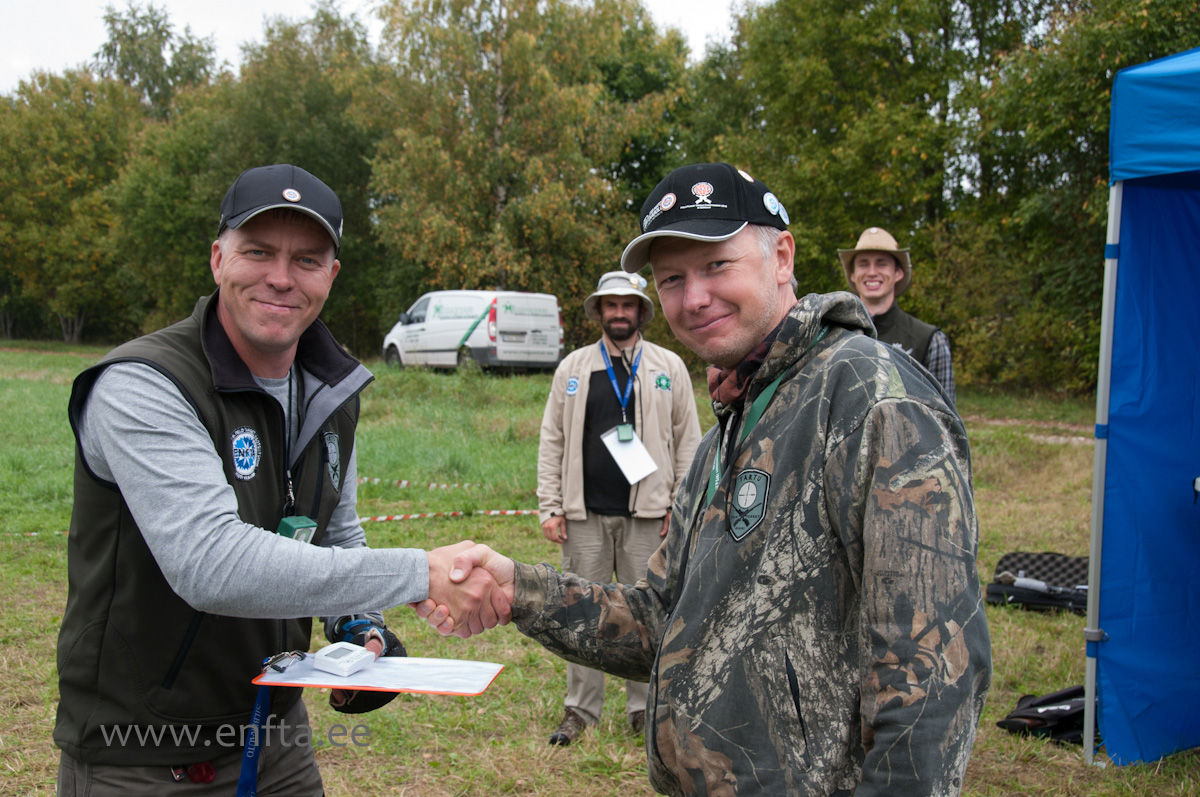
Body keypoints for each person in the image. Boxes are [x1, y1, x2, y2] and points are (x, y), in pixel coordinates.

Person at [424, 163, 992, 795]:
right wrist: (519, 589)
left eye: (717, 265)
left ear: (782, 256)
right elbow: (663, 619)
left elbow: (932, 674)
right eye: (672, 278)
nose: (693, 297)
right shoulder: (738, 414)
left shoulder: (869, 399)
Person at [54, 164, 506, 796]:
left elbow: (336, 530)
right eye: (258, 252)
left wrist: (359, 625)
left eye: (307, 259)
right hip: (143, 750)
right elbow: (210, 562)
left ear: (331, 276)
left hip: (277, 738)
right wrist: (422, 573)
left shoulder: (332, 392)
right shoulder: (142, 383)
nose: (280, 278)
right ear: (218, 259)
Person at [537, 270, 700, 745]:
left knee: (645, 614)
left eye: (628, 305)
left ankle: (643, 709)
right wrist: (551, 505)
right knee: (579, 610)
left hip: (650, 516)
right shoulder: (574, 368)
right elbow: (552, 439)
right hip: (584, 513)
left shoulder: (668, 366)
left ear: (641, 311)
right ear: (600, 311)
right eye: (611, 305)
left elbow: (689, 443)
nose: (620, 313)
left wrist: (680, 506)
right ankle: (580, 711)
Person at [838, 227, 956, 406]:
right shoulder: (834, 334)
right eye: (863, 263)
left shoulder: (930, 340)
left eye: (881, 263)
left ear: (898, 272)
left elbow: (947, 419)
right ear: (853, 274)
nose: (871, 272)